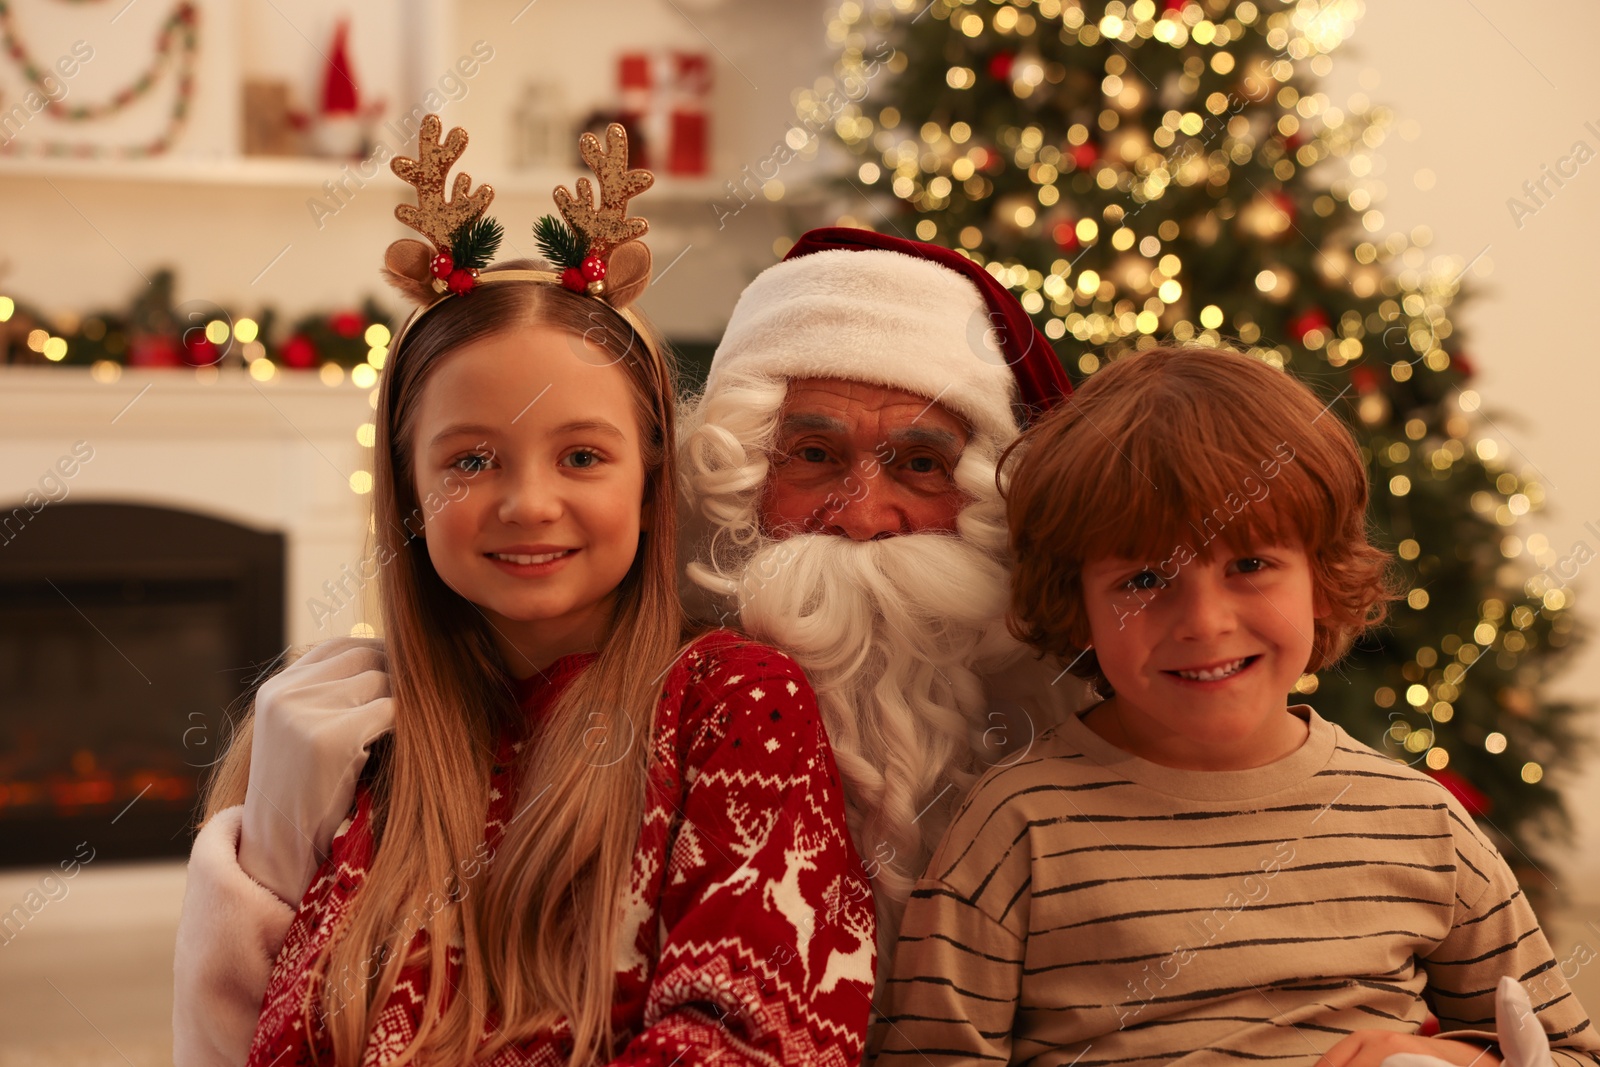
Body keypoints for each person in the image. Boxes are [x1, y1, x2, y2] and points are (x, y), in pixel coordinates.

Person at [173, 117, 875, 1066]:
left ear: (650, 474)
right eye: (471, 458)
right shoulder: (359, 742)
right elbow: (281, 1041)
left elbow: (749, 1036)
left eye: (582, 454)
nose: (528, 502)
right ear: (407, 485)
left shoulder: (735, 705)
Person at [871, 345, 1600, 1066]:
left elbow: (1563, 1051)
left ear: (1321, 577)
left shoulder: (1423, 822)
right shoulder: (1015, 826)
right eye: (1146, 577)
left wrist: (1463, 1064)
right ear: (1077, 605)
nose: (1205, 621)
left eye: (1250, 564)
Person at [677, 227, 1086, 975]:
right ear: (735, 479)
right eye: (813, 455)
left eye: (922, 464)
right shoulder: (645, 703)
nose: (862, 518)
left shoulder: (1067, 734)